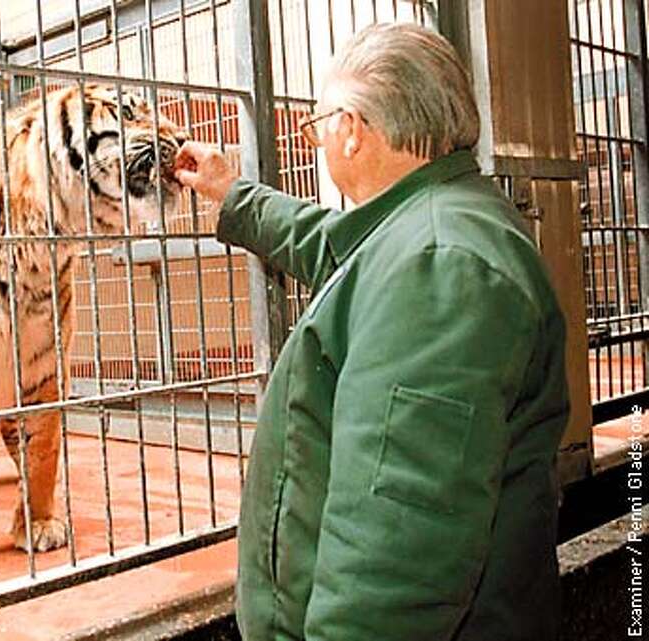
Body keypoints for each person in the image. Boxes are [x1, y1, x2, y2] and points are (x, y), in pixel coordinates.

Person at [174, 23, 570, 641]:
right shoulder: (430, 226)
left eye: (318, 125)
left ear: (352, 129)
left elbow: (396, 557)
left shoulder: (439, 265)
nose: (318, 140)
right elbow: (337, 252)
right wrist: (234, 196)